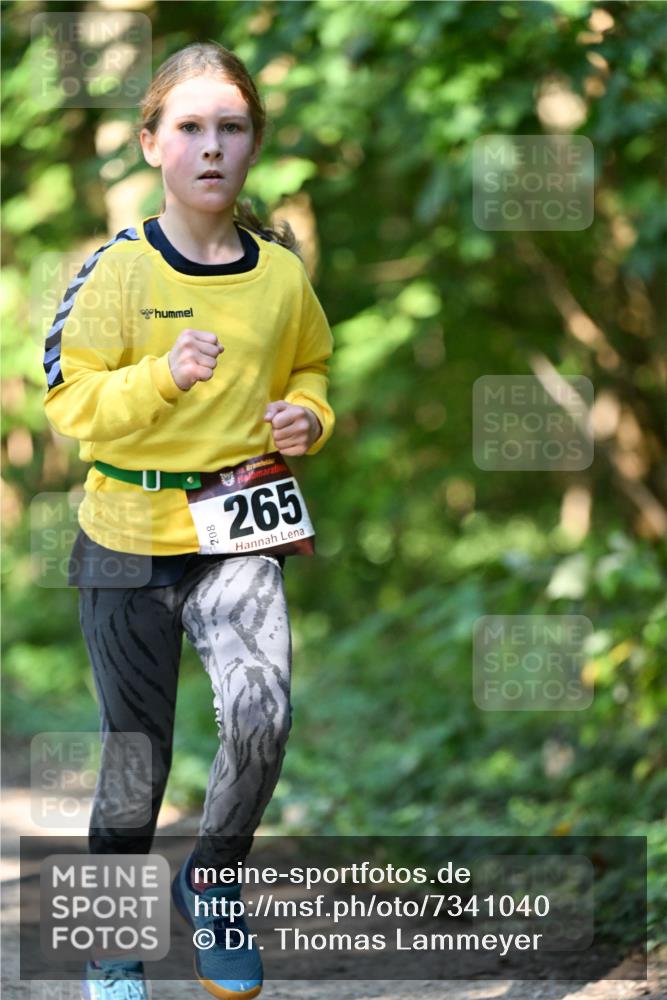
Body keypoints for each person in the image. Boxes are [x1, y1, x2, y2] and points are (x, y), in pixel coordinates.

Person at [41, 40, 335, 1000]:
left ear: (253, 143)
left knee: (261, 714)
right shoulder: (119, 272)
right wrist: (163, 377)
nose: (212, 147)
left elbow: (310, 367)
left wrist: (310, 418)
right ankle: (110, 945)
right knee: (137, 758)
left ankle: (213, 880)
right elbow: (69, 402)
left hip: (238, 531)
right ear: (151, 143)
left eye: (231, 128)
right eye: (191, 127)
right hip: (126, 541)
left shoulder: (280, 276)